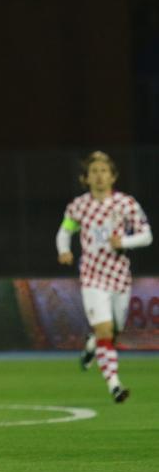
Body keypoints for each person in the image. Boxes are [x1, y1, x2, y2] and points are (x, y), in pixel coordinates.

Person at [56, 150, 152, 402]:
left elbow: (147, 236)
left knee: (114, 330)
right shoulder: (79, 206)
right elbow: (65, 231)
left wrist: (125, 241)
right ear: (86, 178)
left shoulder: (126, 204)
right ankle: (115, 386)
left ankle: (92, 344)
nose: (99, 176)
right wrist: (64, 250)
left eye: (103, 171)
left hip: (119, 275)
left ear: (113, 176)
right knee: (105, 330)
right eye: (94, 172)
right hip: (92, 276)